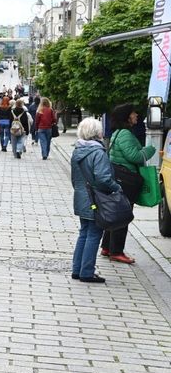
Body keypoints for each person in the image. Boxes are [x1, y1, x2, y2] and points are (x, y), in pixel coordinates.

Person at [102, 104, 156, 264]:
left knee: (115, 213)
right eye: (133, 113)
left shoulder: (119, 133)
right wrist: (150, 150)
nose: (136, 115)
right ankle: (116, 251)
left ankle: (107, 247)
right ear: (127, 116)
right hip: (125, 180)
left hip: (119, 177)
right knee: (123, 215)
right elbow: (135, 157)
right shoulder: (125, 134)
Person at [71, 117, 121, 283]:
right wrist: (116, 188)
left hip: (81, 197)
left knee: (84, 232)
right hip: (95, 199)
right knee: (93, 234)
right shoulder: (98, 153)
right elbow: (102, 178)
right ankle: (86, 272)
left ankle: (77, 269)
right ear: (97, 133)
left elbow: (74, 179)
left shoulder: (77, 151)